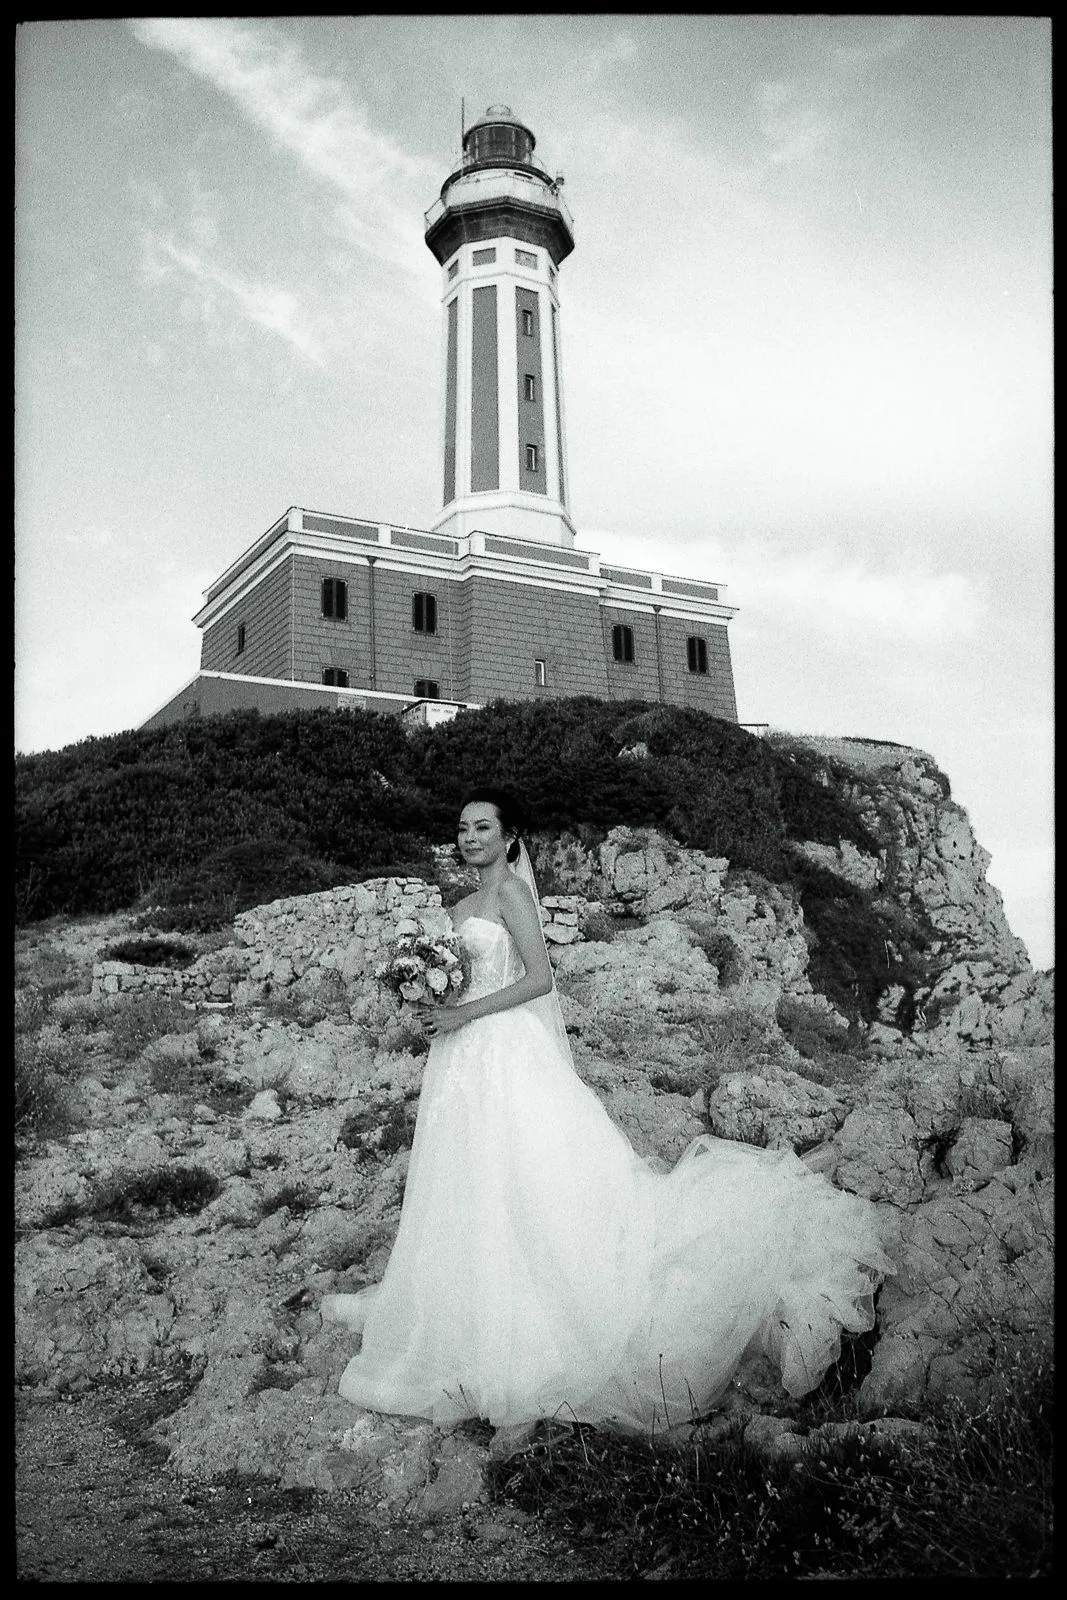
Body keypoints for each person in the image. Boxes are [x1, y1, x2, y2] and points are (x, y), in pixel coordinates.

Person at [322, 786, 893, 1434]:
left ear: (509, 838)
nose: (470, 836)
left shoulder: (511, 892)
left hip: (505, 1049)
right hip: (459, 1058)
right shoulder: (458, 905)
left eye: (483, 827)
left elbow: (539, 979)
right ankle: (469, 1293)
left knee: (529, 1176)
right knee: (467, 1176)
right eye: (462, 827)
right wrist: (432, 996)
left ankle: (537, 1304)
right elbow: (463, 974)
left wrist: (462, 1009)